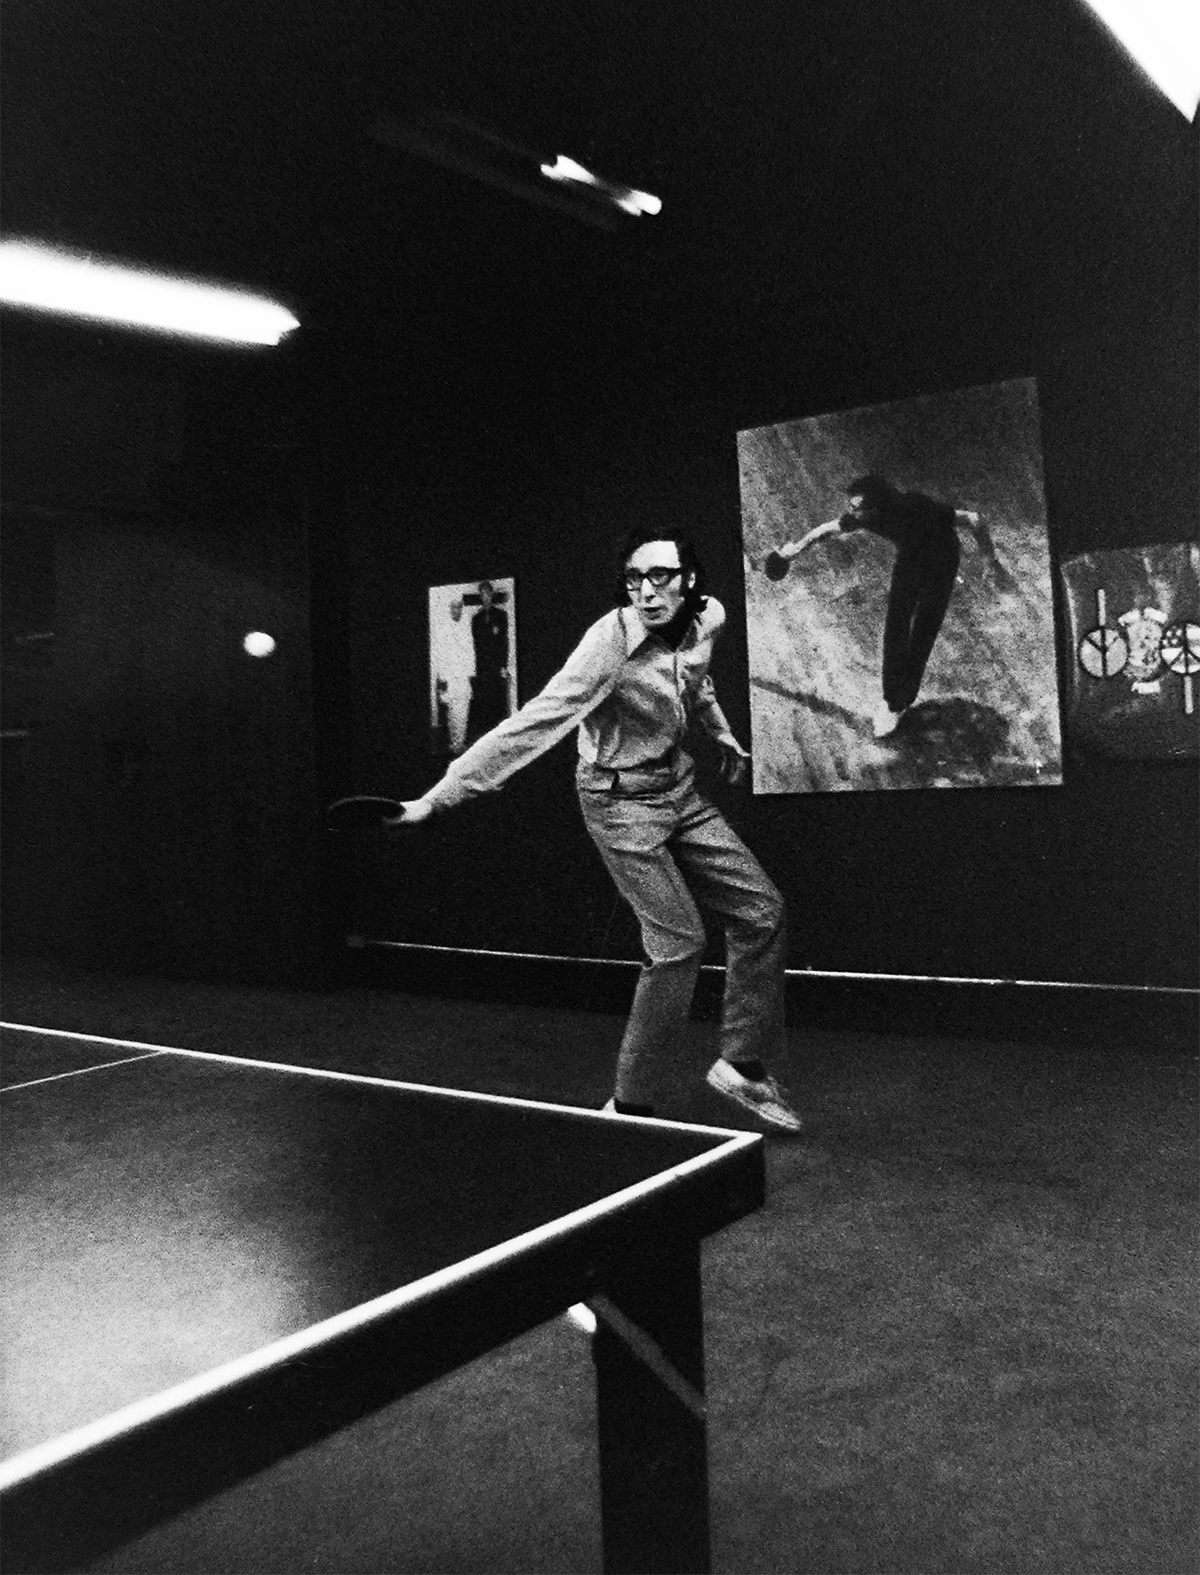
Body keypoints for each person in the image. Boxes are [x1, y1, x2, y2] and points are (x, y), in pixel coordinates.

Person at [392, 527, 802, 1133]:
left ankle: (741, 1065)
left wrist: (722, 737)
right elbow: (534, 723)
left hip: (680, 790)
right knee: (678, 943)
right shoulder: (608, 645)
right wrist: (436, 799)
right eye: (635, 580)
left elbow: (696, 679)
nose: (646, 590)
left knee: (762, 911)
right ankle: (629, 1106)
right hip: (618, 803)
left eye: (660, 576)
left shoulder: (708, 618)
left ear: (690, 581)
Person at [767, 474, 1012, 737]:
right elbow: (827, 529)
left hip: (942, 560)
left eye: (856, 508)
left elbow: (973, 519)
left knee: (923, 632)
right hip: (910, 557)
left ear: (877, 507)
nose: (851, 513)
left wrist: (992, 563)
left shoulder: (916, 507)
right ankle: (893, 702)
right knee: (895, 625)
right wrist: (793, 552)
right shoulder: (867, 515)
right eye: (851, 507)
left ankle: (902, 699)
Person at [464, 580, 512, 743]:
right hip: (482, 667)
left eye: (487, 593)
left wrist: (504, 666)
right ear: (480, 596)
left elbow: (505, 643)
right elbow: (475, 645)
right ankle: (486, 738)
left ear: (491, 595)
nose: (485, 597)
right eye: (482, 594)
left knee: (497, 701)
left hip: (497, 666)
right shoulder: (476, 618)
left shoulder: (501, 615)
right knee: (483, 702)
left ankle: (499, 736)